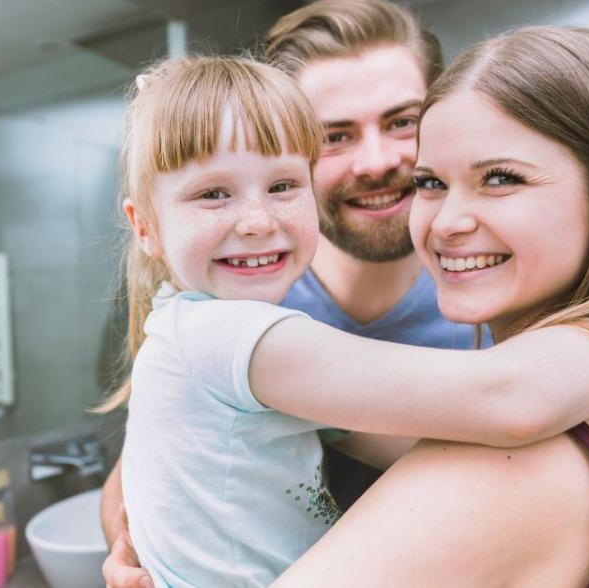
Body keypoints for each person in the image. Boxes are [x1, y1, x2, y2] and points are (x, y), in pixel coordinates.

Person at [100, 54, 589, 587]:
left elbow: (418, 454)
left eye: (282, 186)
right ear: (144, 227)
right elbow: (508, 400)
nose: (256, 220)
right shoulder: (235, 337)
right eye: (212, 195)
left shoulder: (202, 327)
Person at [269, 26, 589, 585]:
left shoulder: (510, 467)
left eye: (500, 178)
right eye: (430, 182)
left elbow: (510, 414)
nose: (446, 223)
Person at [101, 6, 464, 577]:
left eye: (402, 122)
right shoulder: (241, 299)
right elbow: (138, 477)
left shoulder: (499, 286)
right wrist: (131, 551)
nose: (378, 161)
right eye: (335, 136)